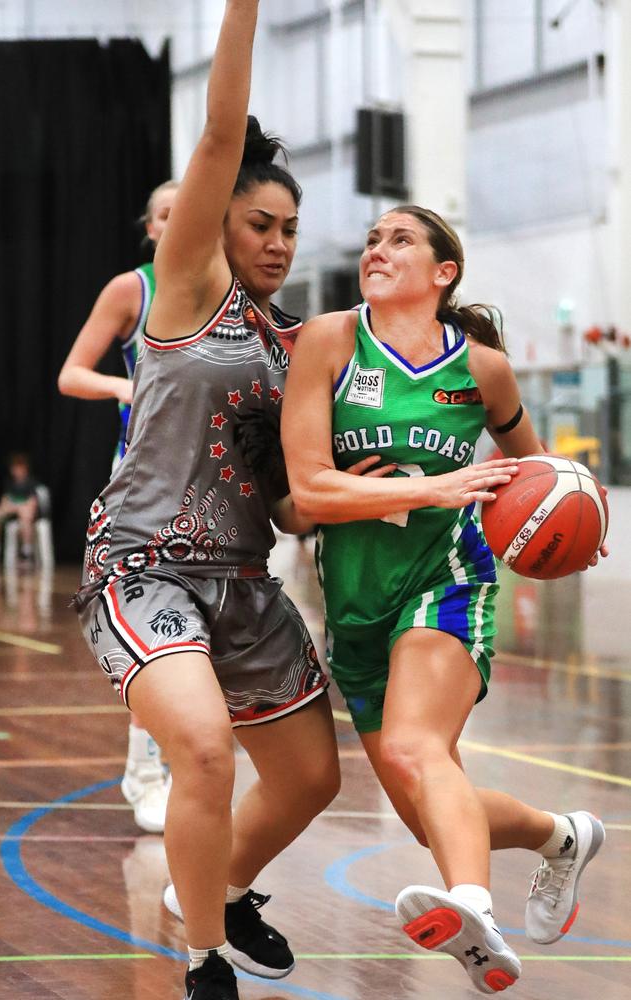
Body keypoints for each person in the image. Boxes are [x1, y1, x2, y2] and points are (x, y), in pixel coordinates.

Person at [72, 3, 343, 998]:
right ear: (212, 219)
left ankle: (223, 890)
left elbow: (289, 507)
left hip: (242, 576)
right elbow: (221, 130)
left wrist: (397, 492)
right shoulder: (186, 287)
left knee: (314, 776)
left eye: (289, 232)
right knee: (198, 743)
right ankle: (199, 961)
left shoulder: (294, 345)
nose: (275, 244)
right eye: (259, 223)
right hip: (142, 564)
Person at [281, 204, 607, 994]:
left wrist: (576, 516)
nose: (376, 250)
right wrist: (436, 483)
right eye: (370, 240)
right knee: (429, 808)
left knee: (416, 750)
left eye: (399, 240)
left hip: (447, 578)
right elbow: (305, 491)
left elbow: (539, 473)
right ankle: (564, 838)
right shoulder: (328, 341)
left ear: (443, 273)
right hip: (353, 601)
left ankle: (472, 908)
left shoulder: (484, 369)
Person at [58, 181, 178, 835]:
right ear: (151, 227)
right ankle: (146, 772)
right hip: (141, 488)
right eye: (166, 212)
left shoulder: (232, 295)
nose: (178, 220)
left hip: (213, 490)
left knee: (209, 645)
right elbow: (71, 373)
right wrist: (121, 384)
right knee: (157, 635)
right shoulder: (132, 290)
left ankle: (180, 768)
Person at [0, 453, 40, 564]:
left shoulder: (31, 483)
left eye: (18, 468)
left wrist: (17, 507)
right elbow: (4, 502)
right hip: (11, 512)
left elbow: (32, 503)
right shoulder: (9, 483)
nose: (15, 471)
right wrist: (12, 507)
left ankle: (26, 553)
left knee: (25, 515)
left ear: (24, 468)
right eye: (14, 468)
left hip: (26, 515)